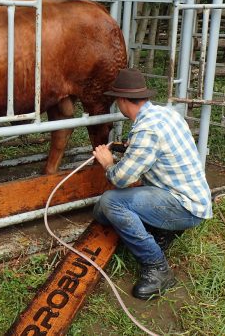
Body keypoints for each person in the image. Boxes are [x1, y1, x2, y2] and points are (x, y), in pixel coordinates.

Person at [92, 68, 212, 300]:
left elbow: (121, 180)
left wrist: (107, 163)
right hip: (188, 197)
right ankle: (162, 230)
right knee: (101, 212)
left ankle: (157, 268)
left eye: (117, 100)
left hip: (185, 206)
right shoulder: (165, 114)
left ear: (122, 100)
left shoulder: (146, 129)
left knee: (110, 203)